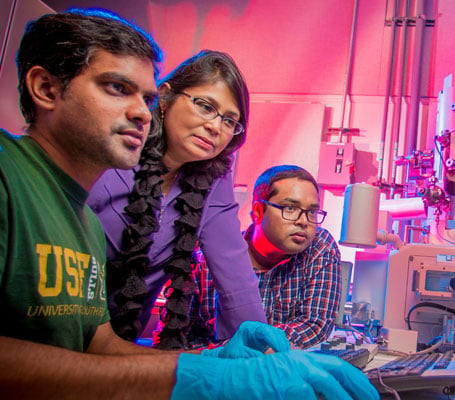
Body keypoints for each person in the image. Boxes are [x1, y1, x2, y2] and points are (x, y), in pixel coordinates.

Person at [0, 9, 378, 400]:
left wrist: (240, 363)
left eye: (230, 120)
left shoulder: (85, 219)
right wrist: (201, 374)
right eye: (116, 88)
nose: (138, 111)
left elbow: (102, 344)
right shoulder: (27, 178)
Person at [87, 49, 266, 350]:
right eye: (205, 106)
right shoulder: (115, 151)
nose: (215, 127)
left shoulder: (214, 180)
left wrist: (264, 353)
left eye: (229, 121)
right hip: (50, 335)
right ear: (165, 97)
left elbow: (235, 276)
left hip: (119, 348)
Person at [192, 165, 342, 348]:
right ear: (258, 212)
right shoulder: (206, 263)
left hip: (280, 372)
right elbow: (179, 341)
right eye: (290, 208)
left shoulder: (320, 247)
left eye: (311, 212)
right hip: (216, 371)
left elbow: (315, 326)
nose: (304, 221)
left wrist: (247, 345)